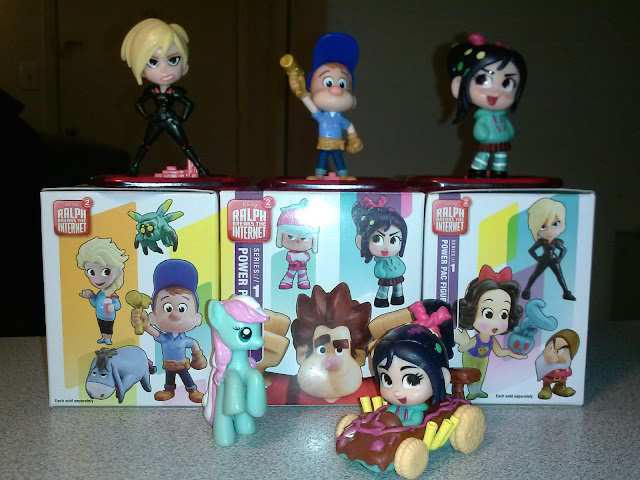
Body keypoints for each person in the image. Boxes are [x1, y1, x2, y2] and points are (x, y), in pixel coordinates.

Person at [121, 18, 210, 177]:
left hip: (170, 119)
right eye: (153, 62)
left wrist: (181, 119)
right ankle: (133, 167)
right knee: (145, 144)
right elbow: (138, 104)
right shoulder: (152, 91)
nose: (164, 69)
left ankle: (200, 168)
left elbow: (189, 104)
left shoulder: (175, 92)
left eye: (173, 60)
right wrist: (148, 116)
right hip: (157, 119)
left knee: (184, 145)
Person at [447, 33, 526, 178]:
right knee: (484, 154)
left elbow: (509, 127)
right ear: (459, 85)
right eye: (483, 80)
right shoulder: (483, 117)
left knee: (501, 154)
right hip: (488, 140)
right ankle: (477, 170)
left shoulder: (501, 116)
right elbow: (479, 131)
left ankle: (499, 171)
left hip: (502, 139)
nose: (495, 93)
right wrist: (484, 134)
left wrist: (509, 132)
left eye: (507, 84)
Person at [285, 33, 363, 179]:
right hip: (324, 144)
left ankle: (343, 175)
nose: (336, 89)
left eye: (342, 84)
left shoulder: (339, 119)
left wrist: (353, 138)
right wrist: (302, 95)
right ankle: (319, 175)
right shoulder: (322, 116)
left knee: (338, 159)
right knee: (322, 158)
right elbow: (311, 106)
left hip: (337, 144)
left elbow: (349, 126)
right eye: (328, 83)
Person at [132, 259, 207, 403]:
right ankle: (169, 390)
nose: (175, 315)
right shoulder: (165, 338)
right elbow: (153, 332)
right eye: (167, 308)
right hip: (168, 364)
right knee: (169, 377)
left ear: (197, 318)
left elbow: (194, 345)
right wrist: (144, 324)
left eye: (182, 308)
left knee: (186, 376)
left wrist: (198, 357)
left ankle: (192, 390)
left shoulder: (185, 340)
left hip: (182, 364)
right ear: (153, 317)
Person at [453, 265, 527, 399]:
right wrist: (462, 340)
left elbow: (499, 352)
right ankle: (472, 392)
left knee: (481, 374)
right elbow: (463, 347)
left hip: (483, 358)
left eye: (503, 315)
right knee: (472, 373)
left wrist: (512, 353)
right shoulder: (477, 339)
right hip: (470, 357)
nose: (495, 323)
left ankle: (477, 390)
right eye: (488, 314)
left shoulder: (491, 340)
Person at [352, 195, 407, 307]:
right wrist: (382, 273)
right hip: (386, 277)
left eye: (393, 240)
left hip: (397, 274)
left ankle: (398, 297)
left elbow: (401, 265)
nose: (386, 247)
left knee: (398, 286)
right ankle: (381, 299)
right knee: (384, 287)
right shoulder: (380, 262)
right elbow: (378, 270)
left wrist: (401, 269)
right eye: (377, 240)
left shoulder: (395, 259)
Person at [76, 237, 128, 345]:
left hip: (109, 317)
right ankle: (103, 337)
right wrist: (91, 296)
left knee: (108, 327)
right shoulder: (100, 294)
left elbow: (118, 305)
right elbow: (95, 303)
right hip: (100, 316)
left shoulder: (112, 295)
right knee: (102, 326)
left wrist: (113, 306)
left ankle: (108, 338)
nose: (98, 279)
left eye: (106, 271)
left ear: (118, 272)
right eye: (91, 272)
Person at [522, 198, 575, 301]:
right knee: (535, 275)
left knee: (559, 276)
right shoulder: (541, 242)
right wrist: (538, 258)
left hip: (553, 260)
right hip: (544, 259)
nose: (549, 231)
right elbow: (531, 250)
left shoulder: (557, 242)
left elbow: (563, 250)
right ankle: (526, 291)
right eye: (542, 226)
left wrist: (559, 259)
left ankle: (566, 293)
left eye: (555, 224)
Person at [535, 329, 580, 399]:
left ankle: (560, 388)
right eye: (551, 348)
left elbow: (568, 371)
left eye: (560, 351)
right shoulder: (545, 365)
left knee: (562, 382)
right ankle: (546, 388)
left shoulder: (565, 365)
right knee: (546, 382)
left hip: (561, 378)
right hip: (549, 378)